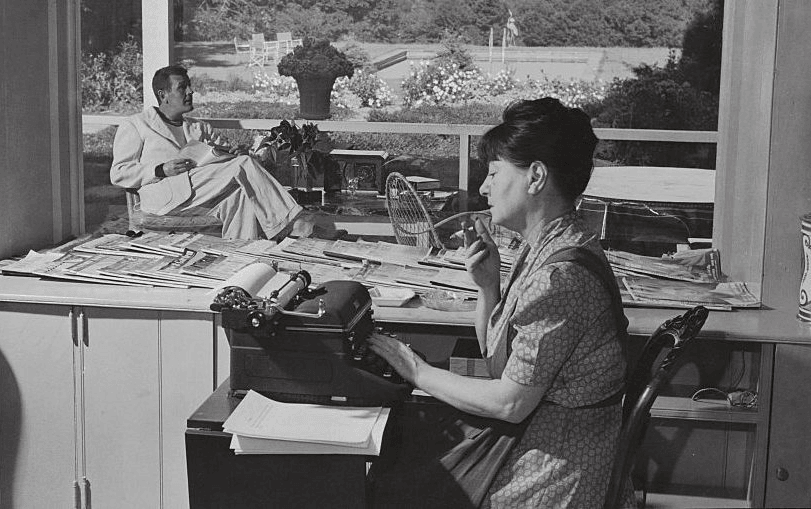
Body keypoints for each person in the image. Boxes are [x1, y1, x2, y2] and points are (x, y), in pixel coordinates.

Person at [368, 97, 631, 508]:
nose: (484, 188)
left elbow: (509, 402)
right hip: (537, 442)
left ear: (536, 177)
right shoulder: (550, 246)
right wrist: (488, 286)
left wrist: (416, 370)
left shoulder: (560, 278)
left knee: (392, 484)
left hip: (549, 472)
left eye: (493, 173)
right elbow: (501, 360)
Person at [111, 65, 307, 240]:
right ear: (163, 95)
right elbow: (119, 173)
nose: (190, 91)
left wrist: (235, 153)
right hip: (163, 197)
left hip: (200, 192)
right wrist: (161, 169)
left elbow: (227, 159)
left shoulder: (199, 128)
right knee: (243, 165)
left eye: (189, 86)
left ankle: (239, 258)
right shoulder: (136, 124)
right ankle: (289, 223)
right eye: (182, 87)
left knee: (239, 196)